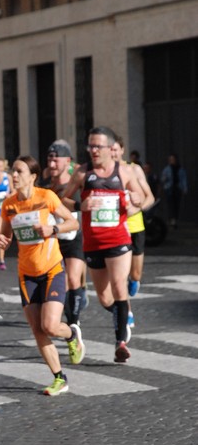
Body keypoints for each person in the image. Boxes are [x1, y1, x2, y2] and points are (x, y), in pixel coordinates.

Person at [0, 155, 85, 397]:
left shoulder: (46, 197)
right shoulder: (9, 205)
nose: (14, 175)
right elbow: (6, 238)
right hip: (27, 274)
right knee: (37, 329)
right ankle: (59, 378)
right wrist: (1, 241)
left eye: (19, 171)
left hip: (52, 268)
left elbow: (72, 224)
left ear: (32, 176)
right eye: (13, 171)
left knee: (50, 326)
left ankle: (72, 334)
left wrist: (52, 229)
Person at [64, 126, 144, 363]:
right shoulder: (82, 173)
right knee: (104, 297)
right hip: (92, 242)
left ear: (111, 148)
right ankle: (123, 314)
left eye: (97, 146)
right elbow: (62, 200)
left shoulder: (124, 172)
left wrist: (135, 203)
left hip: (119, 239)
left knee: (120, 285)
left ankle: (120, 342)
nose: (93, 150)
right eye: (90, 145)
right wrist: (80, 206)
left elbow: (140, 197)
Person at [111, 135, 155, 328]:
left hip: (135, 226)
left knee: (135, 275)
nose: (112, 153)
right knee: (119, 276)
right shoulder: (103, 174)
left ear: (122, 150)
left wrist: (136, 209)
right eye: (109, 149)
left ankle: (135, 281)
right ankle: (126, 311)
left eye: (115, 149)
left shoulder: (133, 170)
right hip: (117, 230)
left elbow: (150, 197)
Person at [43, 139, 87, 326]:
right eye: (49, 160)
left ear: (67, 161)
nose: (52, 165)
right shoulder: (45, 185)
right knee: (57, 281)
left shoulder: (76, 184)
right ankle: (73, 302)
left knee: (72, 278)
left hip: (75, 237)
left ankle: (73, 325)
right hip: (54, 239)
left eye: (56, 161)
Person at [161, 153, 188, 229]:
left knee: (177, 205)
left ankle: (175, 220)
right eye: (170, 160)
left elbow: (183, 179)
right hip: (169, 188)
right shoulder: (167, 169)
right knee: (170, 205)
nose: (172, 161)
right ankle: (171, 220)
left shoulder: (180, 169)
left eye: (173, 159)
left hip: (177, 188)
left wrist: (184, 188)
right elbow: (163, 179)